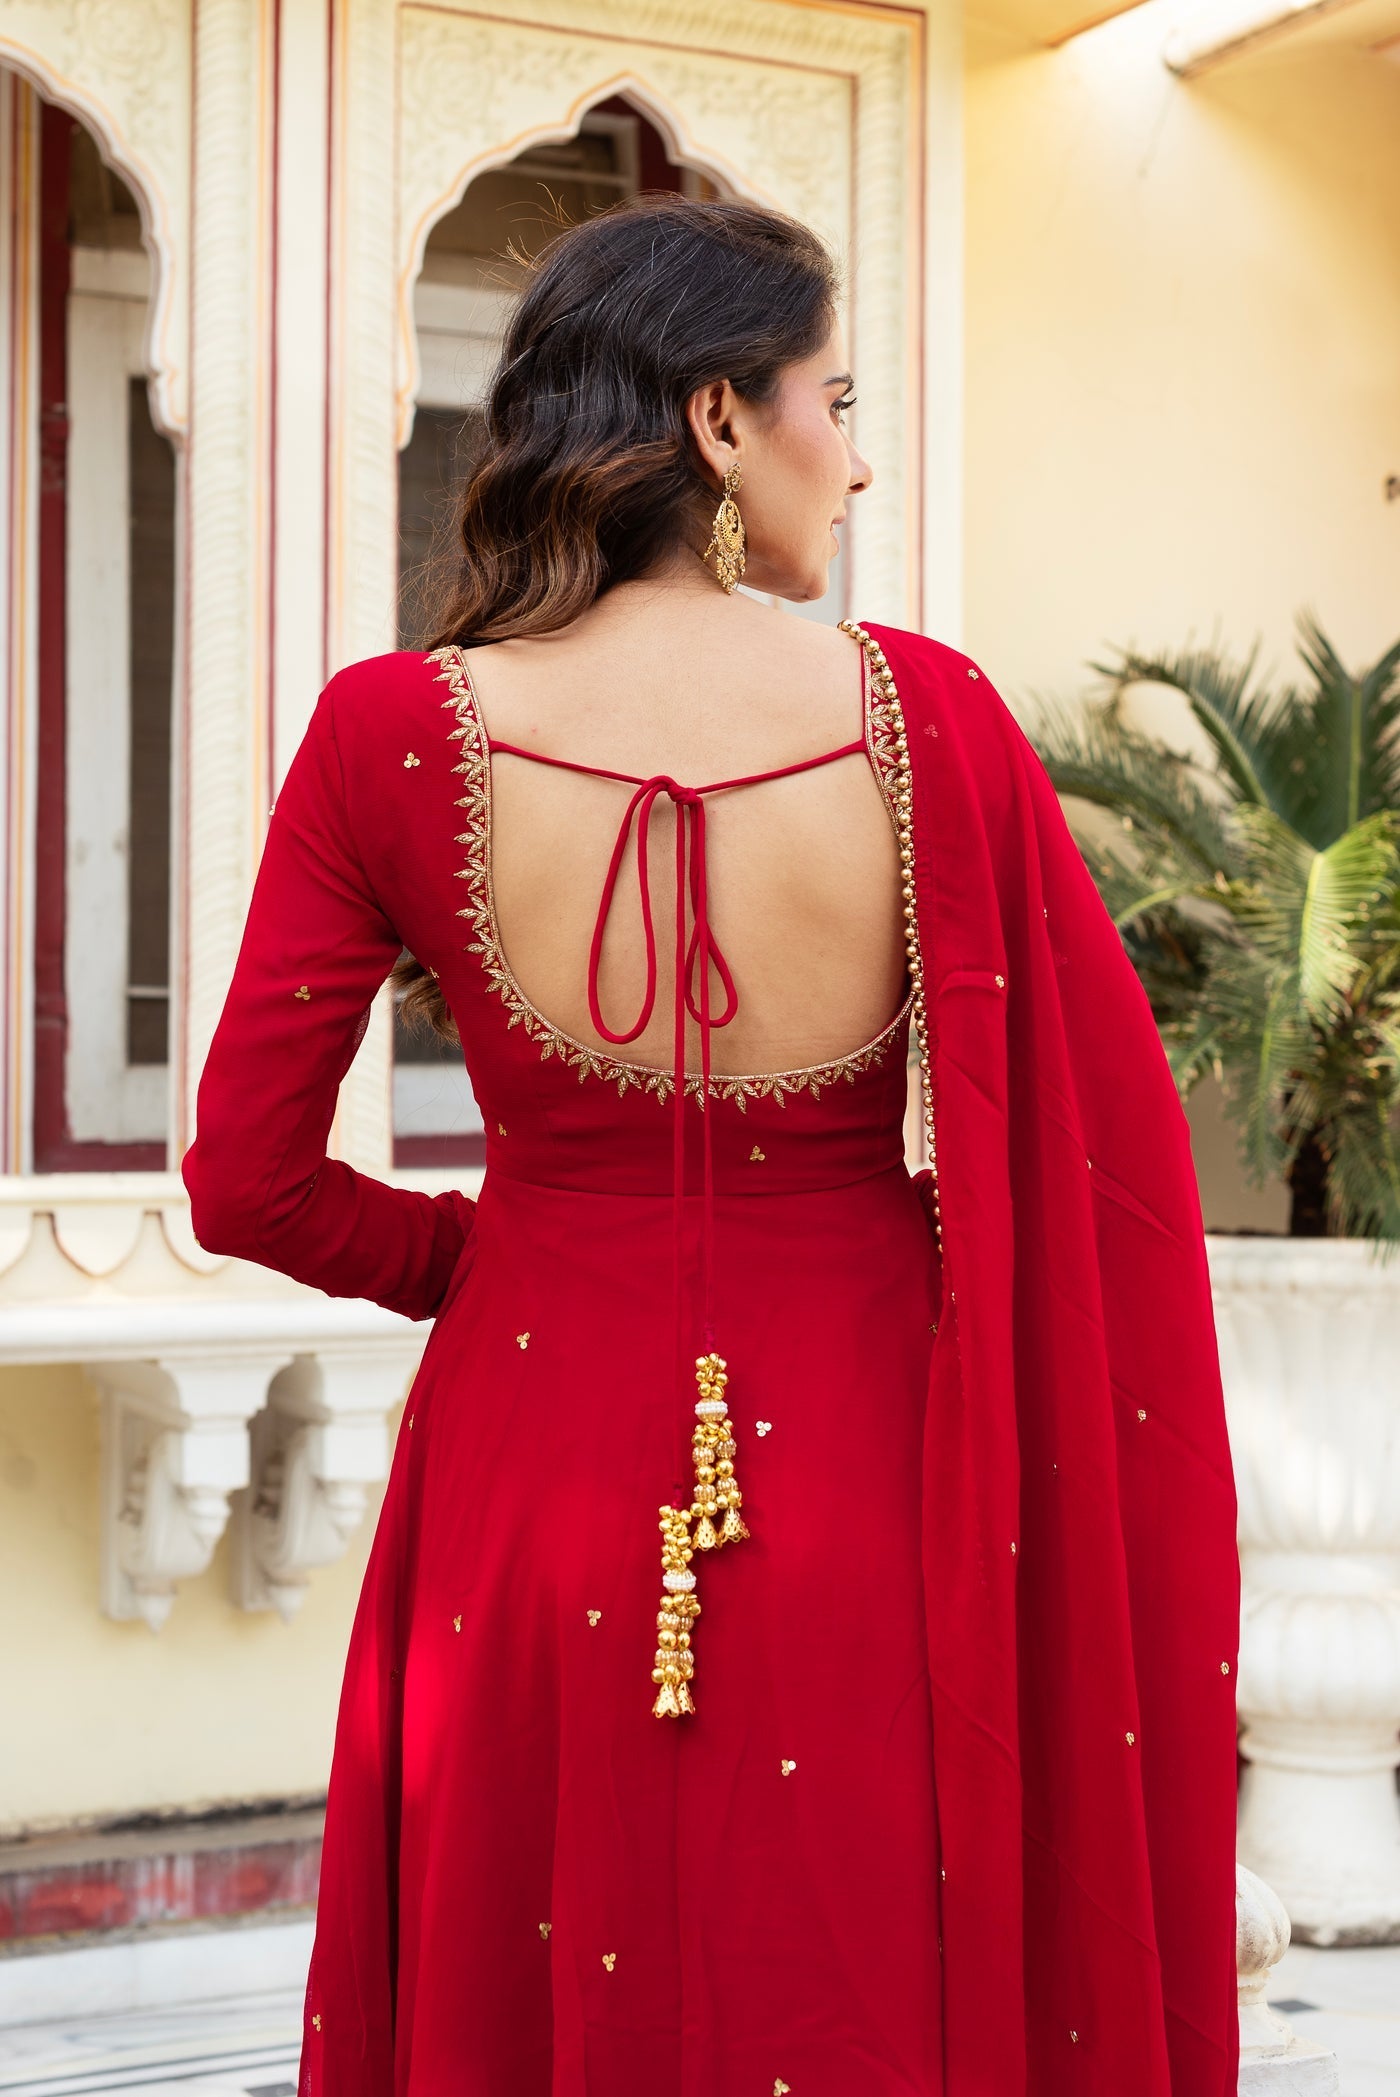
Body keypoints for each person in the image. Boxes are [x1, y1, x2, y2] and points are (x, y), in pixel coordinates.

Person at [184, 196, 1241, 2096]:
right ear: (722, 420)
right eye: (839, 399)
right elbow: (1100, 1176)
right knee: (850, 1971)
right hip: (876, 1459)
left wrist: (479, 1257)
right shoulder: (927, 722)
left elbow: (244, 1178)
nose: (860, 452)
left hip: (531, 1455)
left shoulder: (392, 733)